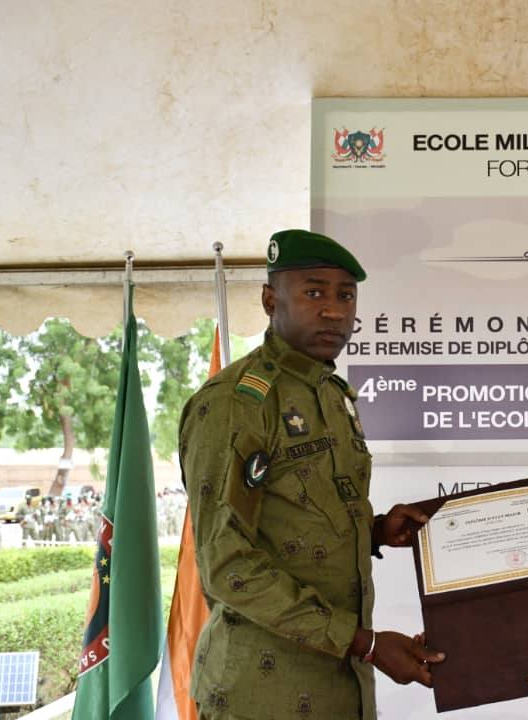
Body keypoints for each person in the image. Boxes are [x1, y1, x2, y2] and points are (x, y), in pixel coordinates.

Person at [179, 229, 443, 720]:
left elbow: (301, 518)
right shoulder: (237, 404)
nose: (334, 310)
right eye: (314, 292)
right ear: (268, 299)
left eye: (346, 295)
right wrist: (362, 642)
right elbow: (227, 565)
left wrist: (376, 530)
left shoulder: (332, 396)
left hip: (340, 689)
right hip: (263, 695)